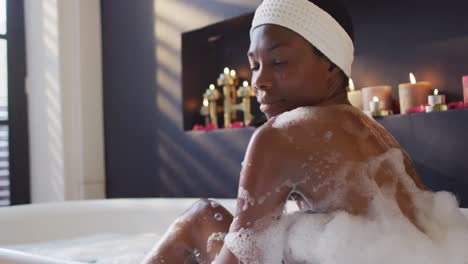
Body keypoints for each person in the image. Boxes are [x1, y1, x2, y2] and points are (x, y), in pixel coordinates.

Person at [143, 0, 426, 263]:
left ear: (329, 64)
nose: (259, 81)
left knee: (201, 217)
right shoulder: (375, 133)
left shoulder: (281, 135)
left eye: (278, 63)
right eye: (254, 65)